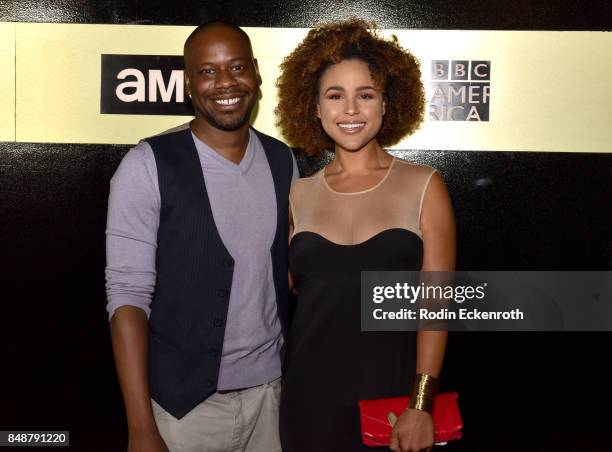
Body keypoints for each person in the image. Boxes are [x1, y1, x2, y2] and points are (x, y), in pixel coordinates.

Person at [105, 21, 297, 452]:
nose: (225, 82)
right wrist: (140, 426)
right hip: (183, 412)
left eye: (237, 67)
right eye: (207, 72)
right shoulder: (146, 165)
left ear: (257, 73)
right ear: (188, 84)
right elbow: (127, 298)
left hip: (272, 401)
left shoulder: (282, 159)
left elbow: (285, 274)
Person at [275, 19, 456, 452]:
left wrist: (420, 403)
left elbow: (437, 306)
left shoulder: (424, 186)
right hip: (308, 401)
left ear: (386, 105)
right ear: (315, 107)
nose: (350, 110)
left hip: (394, 408)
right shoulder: (297, 195)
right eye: (335, 95)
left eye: (366, 95)